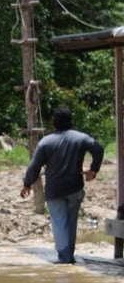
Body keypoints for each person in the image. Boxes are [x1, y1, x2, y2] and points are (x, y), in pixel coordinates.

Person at [21, 106, 103, 265]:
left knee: (59, 222)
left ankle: (64, 258)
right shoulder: (81, 138)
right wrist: (93, 170)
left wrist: (27, 184)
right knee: (71, 221)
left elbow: (34, 166)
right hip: (75, 188)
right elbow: (98, 149)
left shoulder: (46, 142)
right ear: (71, 121)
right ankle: (69, 255)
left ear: (54, 123)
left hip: (54, 190)